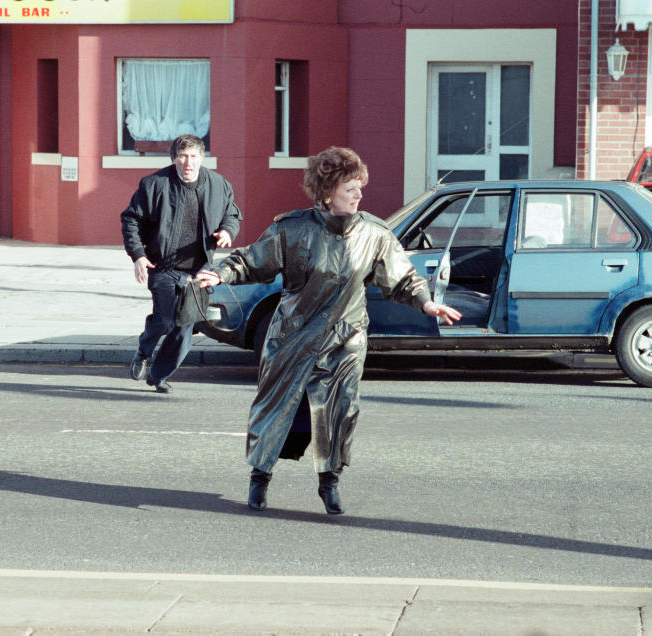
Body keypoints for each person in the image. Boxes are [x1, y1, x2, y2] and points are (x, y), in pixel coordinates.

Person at [195, 147, 461, 514]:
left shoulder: (374, 233)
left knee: (339, 413)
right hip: (292, 335)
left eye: (360, 187)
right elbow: (250, 261)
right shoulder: (292, 229)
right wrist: (220, 273)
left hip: (345, 339)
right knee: (276, 410)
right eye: (351, 187)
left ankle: (330, 484)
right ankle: (259, 478)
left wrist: (426, 302)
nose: (359, 194)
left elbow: (403, 278)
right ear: (327, 191)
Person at [120, 134, 241, 393]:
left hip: (199, 271)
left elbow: (232, 213)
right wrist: (139, 255)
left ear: (202, 158)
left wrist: (228, 231)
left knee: (185, 327)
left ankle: (158, 375)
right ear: (174, 158)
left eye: (194, 156)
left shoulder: (219, 185)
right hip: (162, 267)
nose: (188, 162)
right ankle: (144, 351)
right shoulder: (154, 184)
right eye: (183, 156)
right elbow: (131, 220)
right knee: (165, 321)